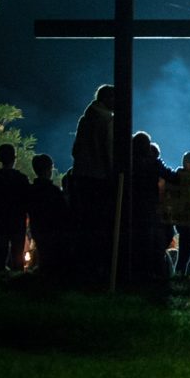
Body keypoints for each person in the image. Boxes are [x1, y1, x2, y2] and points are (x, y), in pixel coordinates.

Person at [69, 84, 115, 281]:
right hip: (100, 179)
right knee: (100, 226)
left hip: (81, 177)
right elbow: (109, 152)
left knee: (83, 225)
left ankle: (80, 268)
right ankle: (99, 270)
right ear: (107, 99)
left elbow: (75, 150)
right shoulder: (107, 121)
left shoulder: (85, 120)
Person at [0, 143, 31, 273]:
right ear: (14, 158)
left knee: (1, 252)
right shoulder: (21, 178)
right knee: (17, 253)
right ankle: (17, 281)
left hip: (1, 220)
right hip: (18, 221)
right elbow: (28, 200)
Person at [131, 133, 174, 278]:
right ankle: (155, 272)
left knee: (138, 239)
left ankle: (140, 272)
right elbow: (171, 176)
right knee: (155, 239)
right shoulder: (153, 163)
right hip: (150, 205)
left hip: (132, 205)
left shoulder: (128, 161)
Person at [26, 154, 71, 277]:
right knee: (52, 256)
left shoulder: (31, 190)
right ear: (49, 169)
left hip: (37, 228)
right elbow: (63, 211)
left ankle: (43, 279)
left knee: (42, 254)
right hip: (53, 229)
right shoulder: (54, 191)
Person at [165, 152, 190, 275]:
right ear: (188, 164)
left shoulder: (177, 177)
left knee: (185, 249)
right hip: (189, 218)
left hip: (182, 220)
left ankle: (180, 273)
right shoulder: (187, 179)